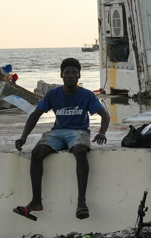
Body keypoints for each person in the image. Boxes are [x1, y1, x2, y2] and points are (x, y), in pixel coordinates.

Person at [13, 58, 110, 220]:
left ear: (79, 75)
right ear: (61, 75)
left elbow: (104, 114)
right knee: (37, 152)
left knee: (80, 151)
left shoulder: (86, 95)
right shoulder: (53, 94)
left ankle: (81, 203)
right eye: (67, 73)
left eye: (74, 73)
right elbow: (35, 115)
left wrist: (102, 132)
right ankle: (36, 201)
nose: (71, 76)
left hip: (79, 132)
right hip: (57, 132)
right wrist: (24, 136)